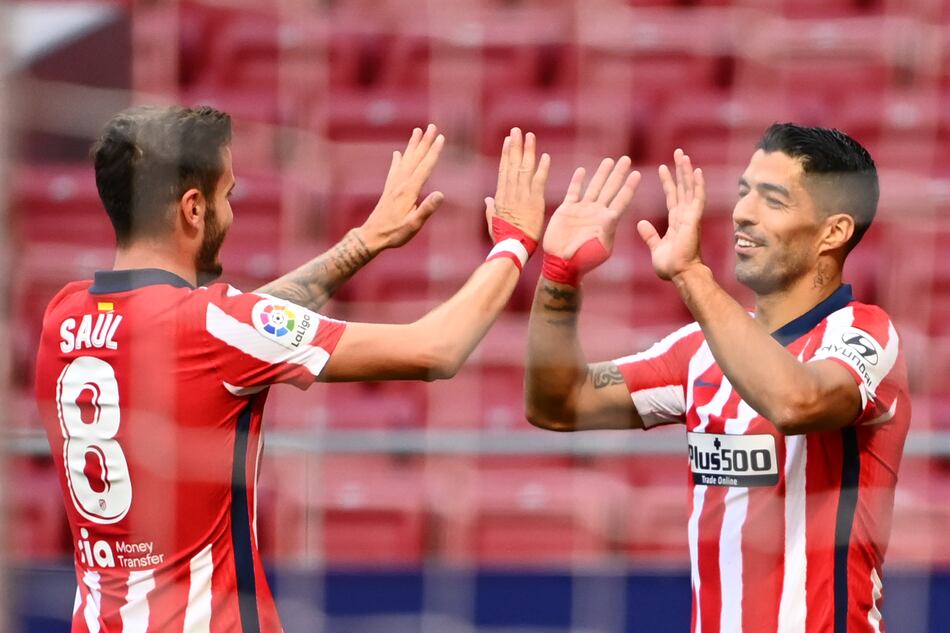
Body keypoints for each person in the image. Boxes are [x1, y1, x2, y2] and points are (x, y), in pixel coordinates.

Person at [33, 105, 556, 632]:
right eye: (227, 195)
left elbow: (238, 327)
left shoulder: (63, 315)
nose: (232, 213)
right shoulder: (214, 328)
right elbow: (436, 349)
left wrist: (364, 242)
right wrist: (514, 244)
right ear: (193, 208)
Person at [524, 124, 909, 632]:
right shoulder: (698, 351)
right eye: (745, 192)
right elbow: (558, 403)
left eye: (773, 200)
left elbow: (797, 401)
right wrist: (558, 276)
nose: (742, 212)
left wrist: (690, 274)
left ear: (833, 232)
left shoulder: (865, 333)